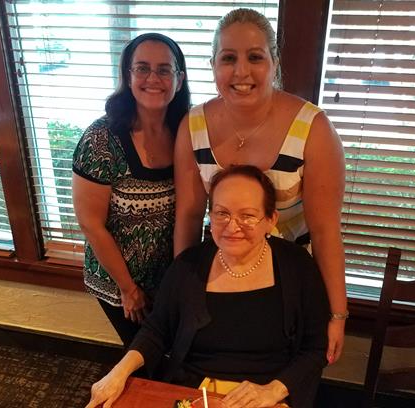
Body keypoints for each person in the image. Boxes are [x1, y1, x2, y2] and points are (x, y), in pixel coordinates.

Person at [174, 8, 347, 364]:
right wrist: (182, 293)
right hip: (222, 274)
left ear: (274, 62)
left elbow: (326, 230)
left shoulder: (314, 129)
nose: (241, 72)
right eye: (228, 58)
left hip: (292, 284)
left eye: (255, 57)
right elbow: (189, 217)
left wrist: (337, 315)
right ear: (213, 65)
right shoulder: (192, 126)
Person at [85, 165, 329, 408]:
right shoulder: (189, 265)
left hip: (266, 395)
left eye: (247, 216)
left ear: (270, 219)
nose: (232, 226)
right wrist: (118, 372)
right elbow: (156, 330)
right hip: (194, 394)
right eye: (222, 213)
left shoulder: (297, 266)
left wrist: (274, 391)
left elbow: (314, 348)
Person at [72, 33, 190, 347]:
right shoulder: (101, 139)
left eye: (164, 70)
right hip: (120, 281)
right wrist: (128, 288)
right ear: (128, 76)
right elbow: (90, 224)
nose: (154, 78)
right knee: (144, 359)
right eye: (142, 68)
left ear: (179, 79)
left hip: (169, 279)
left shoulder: (187, 131)